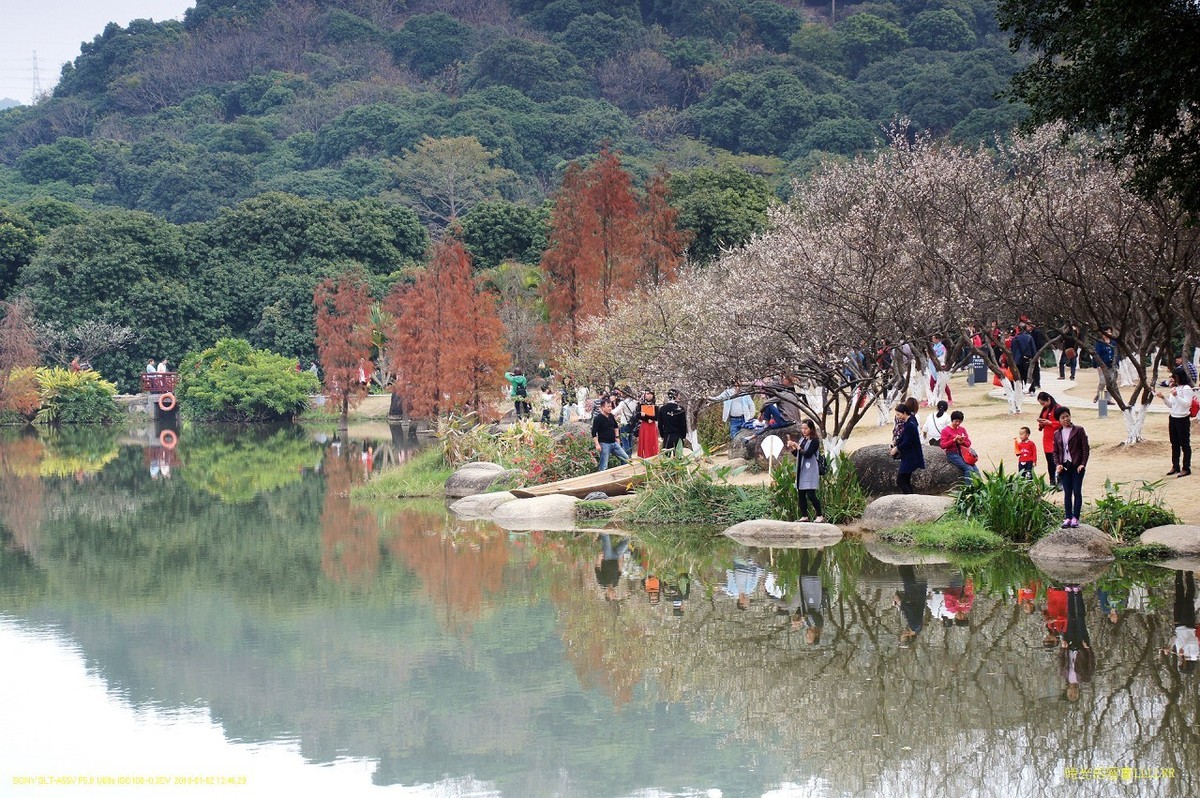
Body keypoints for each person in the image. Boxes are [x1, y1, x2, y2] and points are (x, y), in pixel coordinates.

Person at [1053, 407, 1090, 527]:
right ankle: (1068, 517)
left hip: (1076, 466)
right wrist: (1058, 464)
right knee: (1067, 493)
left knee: (1077, 492)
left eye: (1067, 416)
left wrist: (1082, 464)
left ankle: (1076, 517)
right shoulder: (1057, 433)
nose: (1066, 419)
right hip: (1064, 467)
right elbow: (1055, 452)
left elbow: (1085, 448)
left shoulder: (1079, 430)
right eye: (1062, 418)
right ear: (1059, 420)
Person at [1060, 584, 1094, 702]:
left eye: (1071, 695)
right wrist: (1088, 649)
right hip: (1081, 646)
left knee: (1070, 617)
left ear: (1067, 692)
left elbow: (1061, 659)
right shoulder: (1085, 678)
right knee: (1080, 618)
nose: (1073, 693)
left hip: (1069, 646)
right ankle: (1078, 594)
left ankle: (1069, 593)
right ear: (1079, 693)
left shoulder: (1064, 675)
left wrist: (1063, 647)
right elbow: (1091, 663)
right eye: (1075, 696)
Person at [1157, 368, 1193, 477]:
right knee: (1174, 443)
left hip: (1182, 419)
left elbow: (1187, 404)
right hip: (1173, 418)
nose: (1172, 379)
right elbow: (1171, 405)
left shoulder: (1186, 388)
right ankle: (1175, 466)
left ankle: (1186, 467)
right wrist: (1163, 397)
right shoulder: (1174, 389)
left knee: (1185, 444)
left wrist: (1177, 395)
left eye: (1174, 377)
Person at [1161, 571, 1199, 673]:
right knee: (1188, 600)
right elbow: (1193, 640)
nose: (1180, 662)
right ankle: (1189, 576)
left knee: (1179, 599)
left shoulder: (1180, 654)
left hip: (1178, 626)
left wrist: (1169, 646)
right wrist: (1184, 649)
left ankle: (1178, 574)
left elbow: (1176, 638)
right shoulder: (1194, 655)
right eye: (1181, 664)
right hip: (1188, 625)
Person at [787, 419, 824, 522]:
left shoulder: (815, 441)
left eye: (806, 428)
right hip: (801, 469)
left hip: (810, 470)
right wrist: (792, 448)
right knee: (801, 494)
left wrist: (798, 447)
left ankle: (820, 516)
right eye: (802, 428)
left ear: (811, 429)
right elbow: (797, 454)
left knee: (811, 494)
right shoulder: (802, 440)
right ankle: (804, 516)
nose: (803, 430)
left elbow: (807, 453)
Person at [890, 404, 924, 494]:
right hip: (911, 455)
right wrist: (896, 442)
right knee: (906, 480)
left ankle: (910, 499)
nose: (897, 417)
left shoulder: (910, 425)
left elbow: (907, 441)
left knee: (900, 480)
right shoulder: (911, 421)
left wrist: (896, 448)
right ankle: (910, 497)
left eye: (898, 414)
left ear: (904, 413)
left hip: (910, 456)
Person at [939, 411, 980, 482]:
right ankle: (968, 489)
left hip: (963, 453)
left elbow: (968, 443)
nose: (958, 423)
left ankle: (980, 488)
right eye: (956, 421)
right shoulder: (945, 430)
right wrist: (954, 440)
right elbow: (943, 445)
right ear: (952, 420)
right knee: (968, 468)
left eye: (960, 421)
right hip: (952, 453)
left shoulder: (962, 429)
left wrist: (962, 442)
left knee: (975, 469)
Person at [591, 398, 630, 471]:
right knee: (604, 465)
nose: (610, 408)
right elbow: (593, 432)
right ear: (602, 407)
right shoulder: (598, 418)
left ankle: (624, 471)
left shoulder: (611, 416)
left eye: (610, 406)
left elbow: (616, 427)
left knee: (626, 458)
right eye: (608, 406)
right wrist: (597, 444)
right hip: (604, 444)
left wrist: (617, 437)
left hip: (614, 442)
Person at [1035, 392, 1062, 488]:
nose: (1042, 405)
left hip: (1057, 437)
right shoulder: (1045, 410)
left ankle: (1060, 480)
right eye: (1041, 404)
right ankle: (1052, 481)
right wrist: (1042, 423)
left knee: (1058, 460)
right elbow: (1043, 424)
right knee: (1050, 461)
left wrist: (1050, 423)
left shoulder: (1058, 408)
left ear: (1049, 400)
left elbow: (1063, 422)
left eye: (1043, 403)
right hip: (1047, 438)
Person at [1093, 326, 1118, 402]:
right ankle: (1101, 400)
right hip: (1102, 366)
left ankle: (1108, 399)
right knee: (1103, 382)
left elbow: (1116, 354)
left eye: (1110, 332)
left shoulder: (1113, 343)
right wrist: (1098, 365)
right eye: (1107, 332)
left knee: (1111, 383)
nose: (1108, 333)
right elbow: (1096, 354)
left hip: (1112, 366)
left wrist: (1116, 363)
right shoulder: (1100, 343)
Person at [636, 389, 661, 458]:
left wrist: (646, 416)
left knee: (652, 441)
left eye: (651, 394)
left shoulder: (655, 406)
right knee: (644, 441)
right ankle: (644, 456)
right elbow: (638, 416)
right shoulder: (640, 405)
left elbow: (656, 417)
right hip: (644, 425)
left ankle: (653, 456)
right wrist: (647, 419)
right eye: (647, 394)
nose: (649, 396)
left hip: (652, 426)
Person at [1010, 324, 1035, 389]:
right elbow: (1033, 349)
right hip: (1027, 358)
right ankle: (1031, 389)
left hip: (1017, 360)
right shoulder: (1029, 338)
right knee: (1028, 375)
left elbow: (1013, 350)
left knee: (1019, 376)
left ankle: (1019, 389)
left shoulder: (1015, 339)